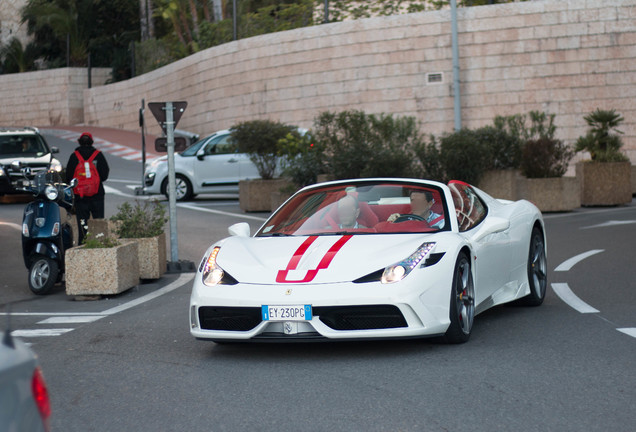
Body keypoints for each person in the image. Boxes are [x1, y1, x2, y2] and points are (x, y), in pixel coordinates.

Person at [65, 132, 109, 244]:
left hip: (81, 197)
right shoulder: (98, 155)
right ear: (91, 142)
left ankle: (83, 244)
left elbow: (69, 177)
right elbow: (104, 174)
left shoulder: (74, 156)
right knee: (99, 223)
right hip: (97, 195)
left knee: (82, 224)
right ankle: (100, 243)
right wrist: (94, 183)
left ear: (79, 142)